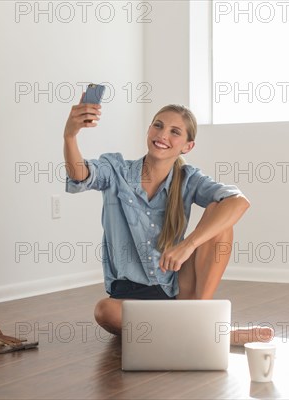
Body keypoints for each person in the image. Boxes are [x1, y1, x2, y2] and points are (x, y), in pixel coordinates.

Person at [63, 95, 273, 346]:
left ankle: (198, 319)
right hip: (129, 298)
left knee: (221, 213)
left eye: (175, 132)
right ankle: (207, 334)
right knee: (104, 311)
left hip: (177, 290)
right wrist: (70, 136)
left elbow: (239, 201)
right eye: (158, 125)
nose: (163, 135)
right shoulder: (116, 169)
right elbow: (80, 174)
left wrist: (188, 245)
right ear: (149, 129)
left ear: (187, 146)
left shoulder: (188, 178)